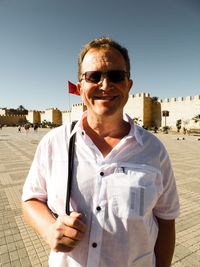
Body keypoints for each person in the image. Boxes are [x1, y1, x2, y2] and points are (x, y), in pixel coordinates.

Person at [22, 37, 180, 267]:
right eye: (94, 76)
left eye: (116, 76)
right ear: (80, 87)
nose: (105, 85)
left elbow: (166, 220)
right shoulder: (54, 142)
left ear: (128, 85)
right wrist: (48, 229)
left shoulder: (154, 150)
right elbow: (31, 198)